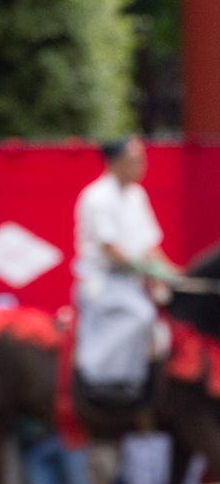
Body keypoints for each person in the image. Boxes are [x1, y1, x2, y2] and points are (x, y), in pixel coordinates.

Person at [72, 136, 174, 399]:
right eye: (135, 160)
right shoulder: (97, 197)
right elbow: (111, 250)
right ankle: (104, 378)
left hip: (132, 281)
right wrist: (147, 270)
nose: (142, 165)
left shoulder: (136, 195)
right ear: (115, 162)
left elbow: (150, 245)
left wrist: (175, 275)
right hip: (104, 282)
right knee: (141, 315)